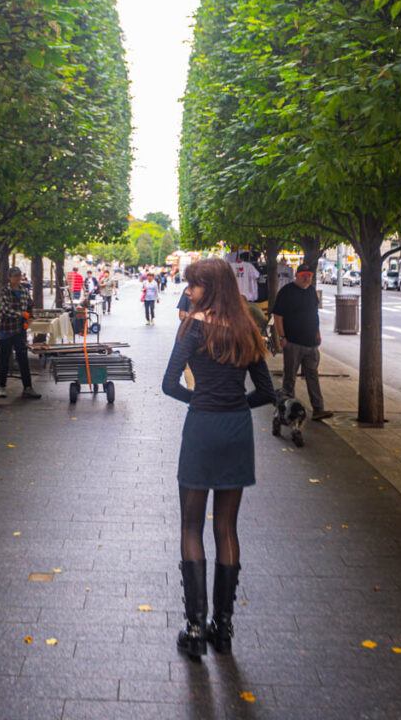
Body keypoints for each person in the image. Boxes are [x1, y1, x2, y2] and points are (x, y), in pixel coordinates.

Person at [162, 258, 275, 659]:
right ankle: (223, 629)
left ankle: (194, 627)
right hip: (236, 431)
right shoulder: (248, 328)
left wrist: (203, 400)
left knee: (191, 526)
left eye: (193, 285)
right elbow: (266, 392)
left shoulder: (193, 327)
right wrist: (235, 404)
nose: (188, 291)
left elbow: (168, 383)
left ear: (208, 288)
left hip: (203, 428)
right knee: (227, 529)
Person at [272, 261, 333, 421]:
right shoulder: (286, 292)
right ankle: (286, 409)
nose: (307, 279)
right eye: (304, 276)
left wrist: (318, 333)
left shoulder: (312, 292)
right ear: (297, 276)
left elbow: (314, 314)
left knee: (312, 375)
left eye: (310, 276)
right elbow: (278, 316)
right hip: (293, 342)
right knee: (289, 377)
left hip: (311, 343)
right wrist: (281, 337)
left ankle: (318, 408)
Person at [0, 267, 41, 399]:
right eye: (14, 276)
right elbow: (5, 309)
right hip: (6, 329)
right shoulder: (5, 291)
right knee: (4, 359)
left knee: (23, 359)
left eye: (19, 276)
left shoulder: (24, 290)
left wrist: (31, 316)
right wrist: (21, 314)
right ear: (9, 277)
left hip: (20, 330)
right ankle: (2, 387)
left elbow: (30, 304)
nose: (17, 278)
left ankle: (28, 388)